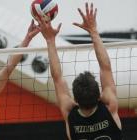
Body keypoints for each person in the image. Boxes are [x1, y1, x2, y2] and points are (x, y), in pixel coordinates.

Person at [37, 3, 122, 140]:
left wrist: (50, 40)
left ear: (75, 100)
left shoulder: (71, 115)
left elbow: (57, 78)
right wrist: (93, 31)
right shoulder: (109, 107)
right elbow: (106, 67)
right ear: (99, 96)